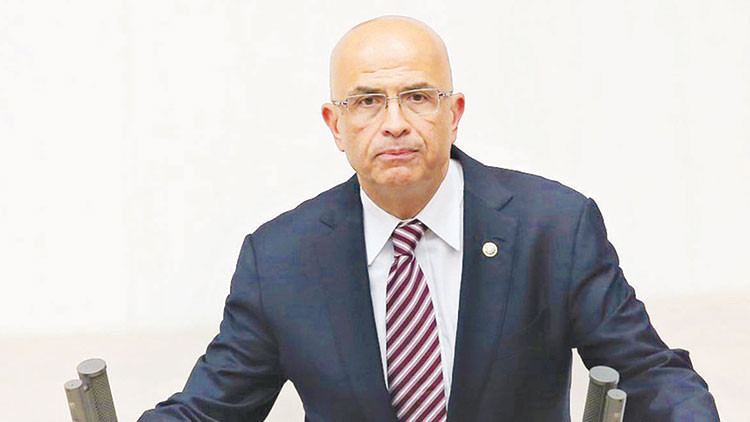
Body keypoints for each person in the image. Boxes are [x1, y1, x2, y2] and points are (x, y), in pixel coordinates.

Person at [139, 16, 718, 421]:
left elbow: (649, 375)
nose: (394, 123)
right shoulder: (281, 259)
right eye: (367, 102)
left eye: (417, 96)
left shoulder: (554, 229)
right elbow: (208, 410)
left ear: (454, 113)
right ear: (335, 125)